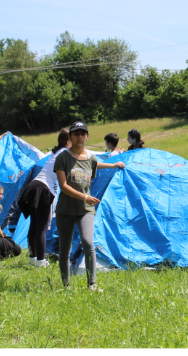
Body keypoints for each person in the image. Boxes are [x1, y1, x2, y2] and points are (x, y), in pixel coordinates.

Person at [55, 121, 126, 290]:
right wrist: (85, 197)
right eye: (76, 134)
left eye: (82, 134)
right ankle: (66, 286)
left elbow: (96, 164)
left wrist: (114, 164)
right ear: (70, 137)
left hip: (85, 210)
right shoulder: (62, 158)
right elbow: (63, 186)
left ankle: (91, 284)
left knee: (88, 243)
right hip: (65, 210)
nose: (79, 137)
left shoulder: (90, 157)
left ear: (87, 137)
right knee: (65, 248)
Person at [19, 127, 69, 268]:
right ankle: (41, 261)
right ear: (68, 141)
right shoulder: (66, 152)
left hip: (33, 186)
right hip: (43, 188)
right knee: (42, 227)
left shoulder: (56, 152)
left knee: (34, 225)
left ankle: (33, 258)